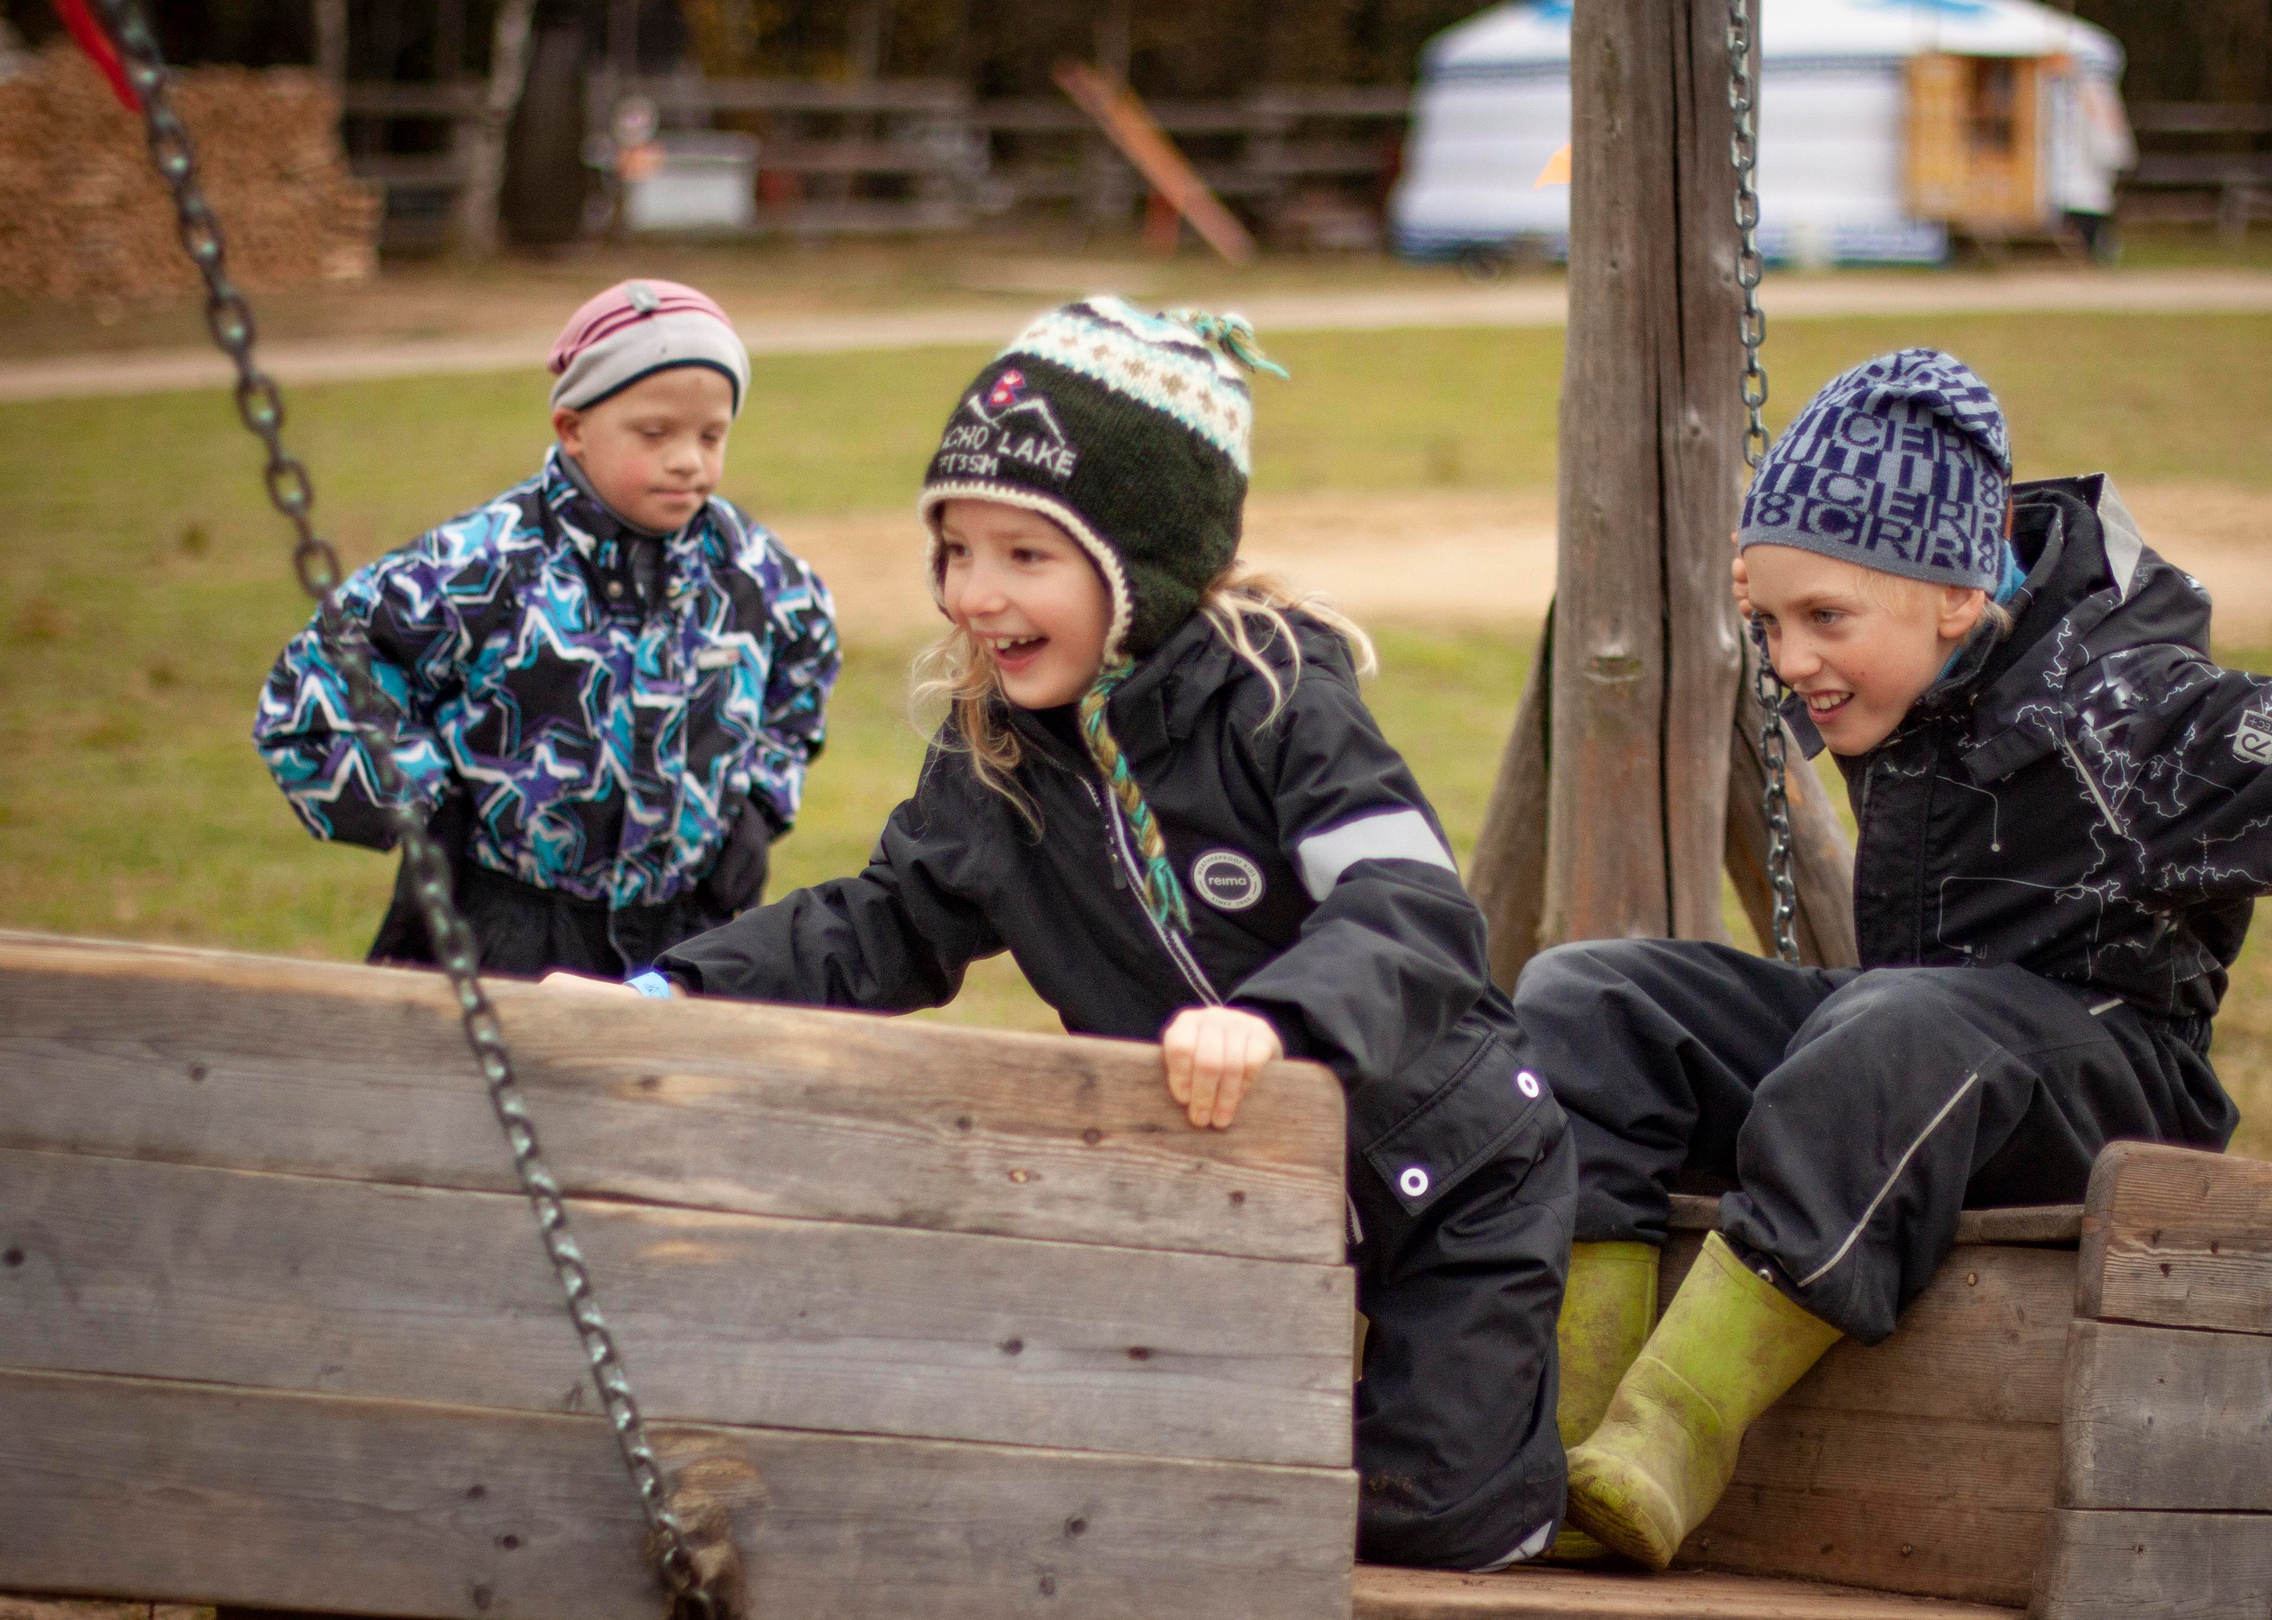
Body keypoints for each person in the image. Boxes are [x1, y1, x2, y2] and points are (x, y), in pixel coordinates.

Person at [562, 298, 1572, 1570]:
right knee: (1169, 1504)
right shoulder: (998, 762)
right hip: (1228, 1192)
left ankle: (1536, 1431)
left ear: (1139, 563)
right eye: (955, 551)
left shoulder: (1274, 699)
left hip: (1448, 1176)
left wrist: (1275, 1024)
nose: (974, 595)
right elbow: (873, 928)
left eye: (1026, 557)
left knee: (1431, 1523)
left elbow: (1414, 913)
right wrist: (669, 991)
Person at [1521, 347, 2272, 1570]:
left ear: (1958, 595)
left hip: (2105, 1081)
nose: (1789, 661)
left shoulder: (2135, 727)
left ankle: (1674, 1423)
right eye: (1768, 620)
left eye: (1825, 619)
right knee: (1590, 996)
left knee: (1897, 1031)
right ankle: (1567, 1432)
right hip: (1911, 1048)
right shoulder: (1918, 669)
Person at [252, 278, 839, 979]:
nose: (689, 459)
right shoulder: (483, 563)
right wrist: (419, 807)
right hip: (505, 929)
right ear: (572, 429)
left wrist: (759, 807)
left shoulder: (757, 573)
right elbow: (312, 692)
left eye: (711, 435)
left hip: (686, 934)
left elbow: (804, 674)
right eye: (655, 433)